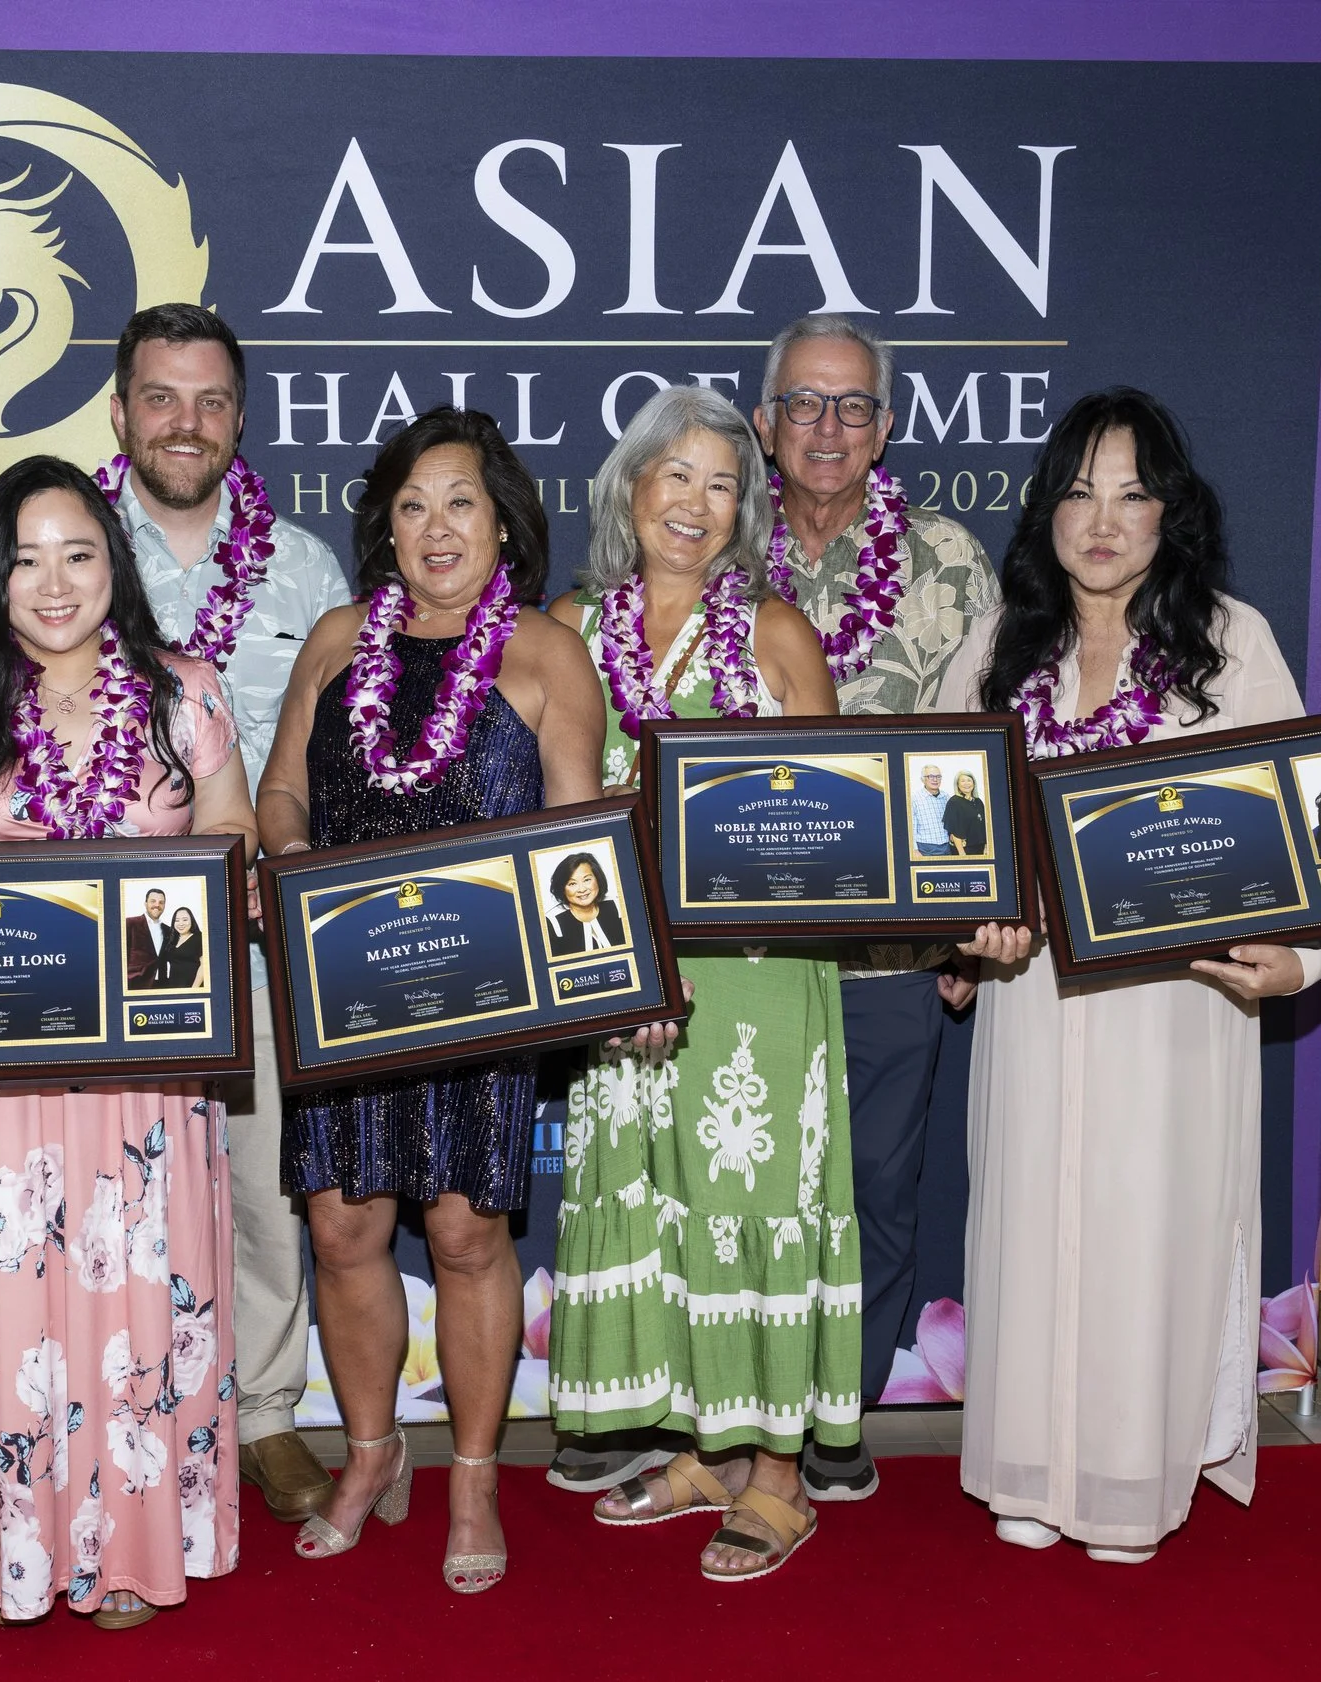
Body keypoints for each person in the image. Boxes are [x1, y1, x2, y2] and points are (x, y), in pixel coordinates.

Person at [929, 388, 1321, 1563]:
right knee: (1031, 1223)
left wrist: (1290, 959)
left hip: (1177, 1005)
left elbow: (1306, 829)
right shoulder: (998, 644)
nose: (1102, 520)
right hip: (1033, 1004)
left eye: (1132, 492)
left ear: (1170, 513)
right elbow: (947, 838)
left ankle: (1125, 1478)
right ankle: (1030, 1463)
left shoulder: (1230, 639)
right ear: (1047, 510)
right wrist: (965, 938)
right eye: (1078, 491)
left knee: (1144, 1228)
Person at [0, 456, 253, 1629]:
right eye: (26, 556)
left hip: (145, 1074)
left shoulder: (183, 695)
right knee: (9, 1304)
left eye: (79, 552)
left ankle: (137, 1541)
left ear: (114, 566)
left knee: (141, 1298)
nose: (54, 581)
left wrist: (212, 885)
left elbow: (235, 839)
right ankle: (15, 1539)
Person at [256, 407, 606, 1594]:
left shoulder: (549, 655)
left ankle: (469, 1470)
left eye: (459, 500)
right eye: (411, 505)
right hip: (347, 985)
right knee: (344, 1227)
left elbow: (576, 842)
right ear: (385, 529)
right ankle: (367, 1454)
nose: (435, 525)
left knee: (464, 1232)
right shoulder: (338, 638)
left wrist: (599, 969)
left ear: (503, 519)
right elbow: (283, 791)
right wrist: (292, 857)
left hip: (483, 999)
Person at [546, 384, 849, 1581]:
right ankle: (708, 1445)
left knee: (760, 1201)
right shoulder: (566, 624)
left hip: (758, 988)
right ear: (630, 486)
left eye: (723, 482)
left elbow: (835, 827)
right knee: (663, 1201)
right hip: (624, 984)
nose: (697, 502)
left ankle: (778, 1477)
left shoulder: (776, 634)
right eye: (675, 474)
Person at [734, 312, 998, 1505]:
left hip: (891, 947)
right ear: (765, 423)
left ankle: (838, 1405)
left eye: (851, 406)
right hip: (747, 946)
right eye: (804, 402)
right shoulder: (710, 541)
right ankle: (739, 1414)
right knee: (748, 1182)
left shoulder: (948, 561)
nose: (827, 426)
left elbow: (985, 750)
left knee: (875, 1184)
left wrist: (963, 922)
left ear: (884, 427)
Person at [105, 305, 353, 1523]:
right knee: (118, 1192)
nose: (185, 423)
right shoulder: (66, 546)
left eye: (208, 400)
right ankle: (127, 1411)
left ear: (239, 417)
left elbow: (347, 751)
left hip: (259, 933)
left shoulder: (304, 568)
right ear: (120, 411)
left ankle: (263, 1410)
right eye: (160, 397)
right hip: (111, 947)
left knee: (263, 1188)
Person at [544, 851, 627, 957]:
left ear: (598, 879)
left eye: (587, 880)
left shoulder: (619, 906)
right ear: (562, 888)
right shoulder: (551, 922)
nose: (582, 889)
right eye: (572, 883)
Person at [124, 886, 171, 989]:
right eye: (153, 901)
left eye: (161, 902)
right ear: (145, 903)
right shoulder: (130, 923)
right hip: (135, 983)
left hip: (162, 985)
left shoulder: (169, 930)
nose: (157, 905)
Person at [157, 905, 206, 989]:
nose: (181, 923)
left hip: (191, 986)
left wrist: (194, 989)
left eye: (185, 920)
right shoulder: (172, 939)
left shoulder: (199, 937)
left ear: (192, 920)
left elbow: (204, 965)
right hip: (173, 986)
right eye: (177, 920)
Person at [945, 767, 990, 857]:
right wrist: (962, 854)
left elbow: (985, 825)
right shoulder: (954, 802)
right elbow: (954, 831)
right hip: (964, 849)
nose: (966, 784)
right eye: (963, 781)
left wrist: (986, 847)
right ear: (957, 784)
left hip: (980, 847)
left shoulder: (978, 801)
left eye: (969, 780)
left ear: (973, 783)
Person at [911, 763, 953, 855]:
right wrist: (914, 850)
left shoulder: (946, 797)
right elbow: (911, 827)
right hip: (925, 848)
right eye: (931, 776)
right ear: (923, 779)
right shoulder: (915, 798)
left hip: (946, 847)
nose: (935, 780)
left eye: (938, 776)